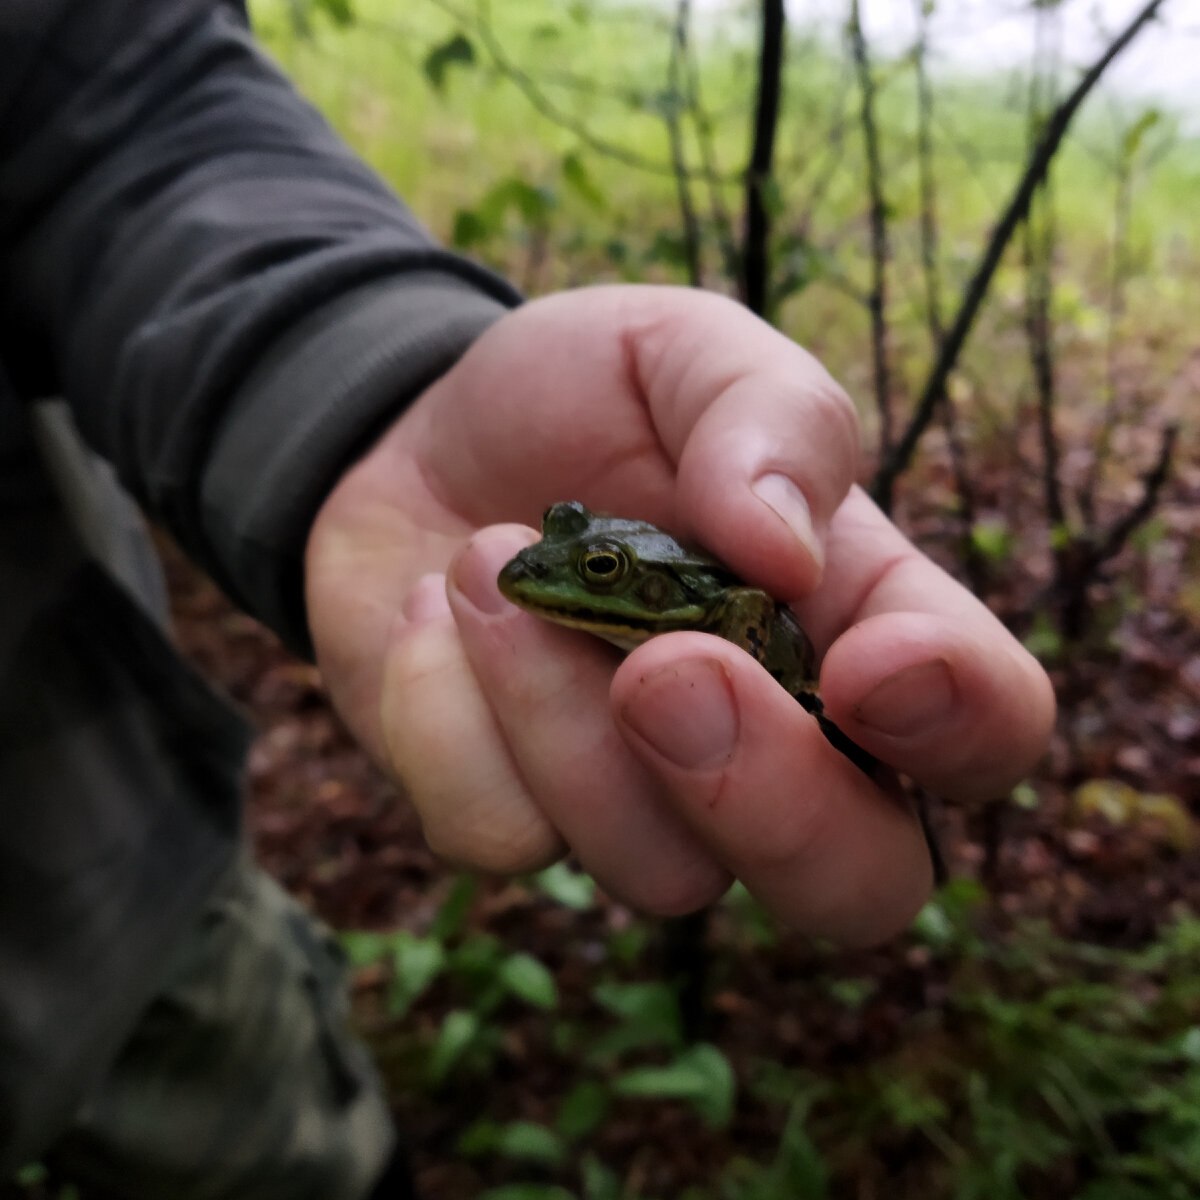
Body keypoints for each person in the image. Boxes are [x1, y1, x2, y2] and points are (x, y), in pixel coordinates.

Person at [0, 1, 1057, 1196]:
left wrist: (360, 393)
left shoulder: (713, 617)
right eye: (580, 560)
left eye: (590, 564)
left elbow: (106, 106)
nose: (555, 571)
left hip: (129, 882)